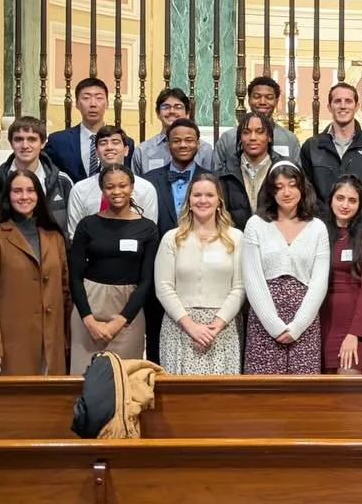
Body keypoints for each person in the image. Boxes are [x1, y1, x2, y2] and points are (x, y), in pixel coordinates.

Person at [0, 169, 70, 375]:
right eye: (17, 191)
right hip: (10, 344)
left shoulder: (54, 237)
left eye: (30, 190)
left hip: (51, 343)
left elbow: (64, 290)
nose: (24, 196)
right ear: (7, 195)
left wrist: (66, 338)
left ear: (39, 195)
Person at [241, 162, 331, 374]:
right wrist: (273, 324)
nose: (286, 192)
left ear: (302, 187)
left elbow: (319, 282)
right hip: (264, 321)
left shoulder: (317, 228)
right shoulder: (256, 224)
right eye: (279, 187)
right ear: (271, 191)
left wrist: (298, 326)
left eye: (292, 185)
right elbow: (252, 278)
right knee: (263, 390)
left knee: (302, 390)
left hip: (305, 323)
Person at [68, 165, 159, 370]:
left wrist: (121, 321)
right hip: (89, 305)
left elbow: (147, 280)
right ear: (102, 190)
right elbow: (75, 276)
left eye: (122, 185)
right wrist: (88, 320)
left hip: (128, 310)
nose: (117, 191)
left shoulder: (148, 228)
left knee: (126, 377)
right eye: (110, 187)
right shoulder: (87, 225)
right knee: (84, 376)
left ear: (132, 187)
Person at [154, 174, 246, 375]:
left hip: (222, 328)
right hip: (180, 327)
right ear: (189, 200)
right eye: (197, 195)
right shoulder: (171, 238)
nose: (203, 200)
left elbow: (240, 287)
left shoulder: (236, 238)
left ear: (219, 201)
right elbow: (163, 287)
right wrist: (191, 327)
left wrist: (216, 326)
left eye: (209, 195)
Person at [319, 176, 362, 374]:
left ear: (360, 204)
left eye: (352, 200)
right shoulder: (318, 234)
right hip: (321, 322)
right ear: (331, 200)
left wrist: (354, 333)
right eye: (340, 198)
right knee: (323, 390)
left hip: (355, 326)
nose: (345, 205)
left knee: (346, 387)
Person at [300, 81, 362, 201]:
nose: (343, 106)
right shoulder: (311, 147)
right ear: (329, 107)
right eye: (337, 101)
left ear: (357, 106)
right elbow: (307, 192)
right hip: (322, 213)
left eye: (348, 101)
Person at [66, 126, 158, 236]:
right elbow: (75, 234)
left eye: (115, 142)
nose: (109, 147)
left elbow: (149, 232)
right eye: (103, 143)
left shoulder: (146, 188)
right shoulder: (80, 189)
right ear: (96, 152)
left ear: (126, 150)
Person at [44, 77, 135, 184]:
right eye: (86, 98)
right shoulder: (58, 141)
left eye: (99, 98)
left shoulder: (125, 142)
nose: (93, 104)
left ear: (107, 104)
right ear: (77, 104)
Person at [0, 116, 72, 227]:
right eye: (18, 139)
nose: (25, 146)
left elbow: (71, 227)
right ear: (11, 143)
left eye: (32, 139)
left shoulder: (62, 181)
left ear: (42, 143)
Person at [215, 76, 301, 175]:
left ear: (276, 101)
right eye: (257, 97)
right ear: (249, 100)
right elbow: (216, 173)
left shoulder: (289, 139)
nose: (262, 102)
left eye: (269, 97)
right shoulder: (228, 138)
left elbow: (297, 175)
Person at [141, 117, 207, 234]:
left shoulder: (212, 181)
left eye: (189, 140)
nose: (183, 145)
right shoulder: (149, 181)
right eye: (176, 141)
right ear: (168, 145)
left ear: (198, 144)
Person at [132, 87, 216, 175]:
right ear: (157, 113)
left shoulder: (204, 150)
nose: (172, 111)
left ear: (187, 113)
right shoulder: (142, 151)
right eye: (166, 107)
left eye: (178, 107)